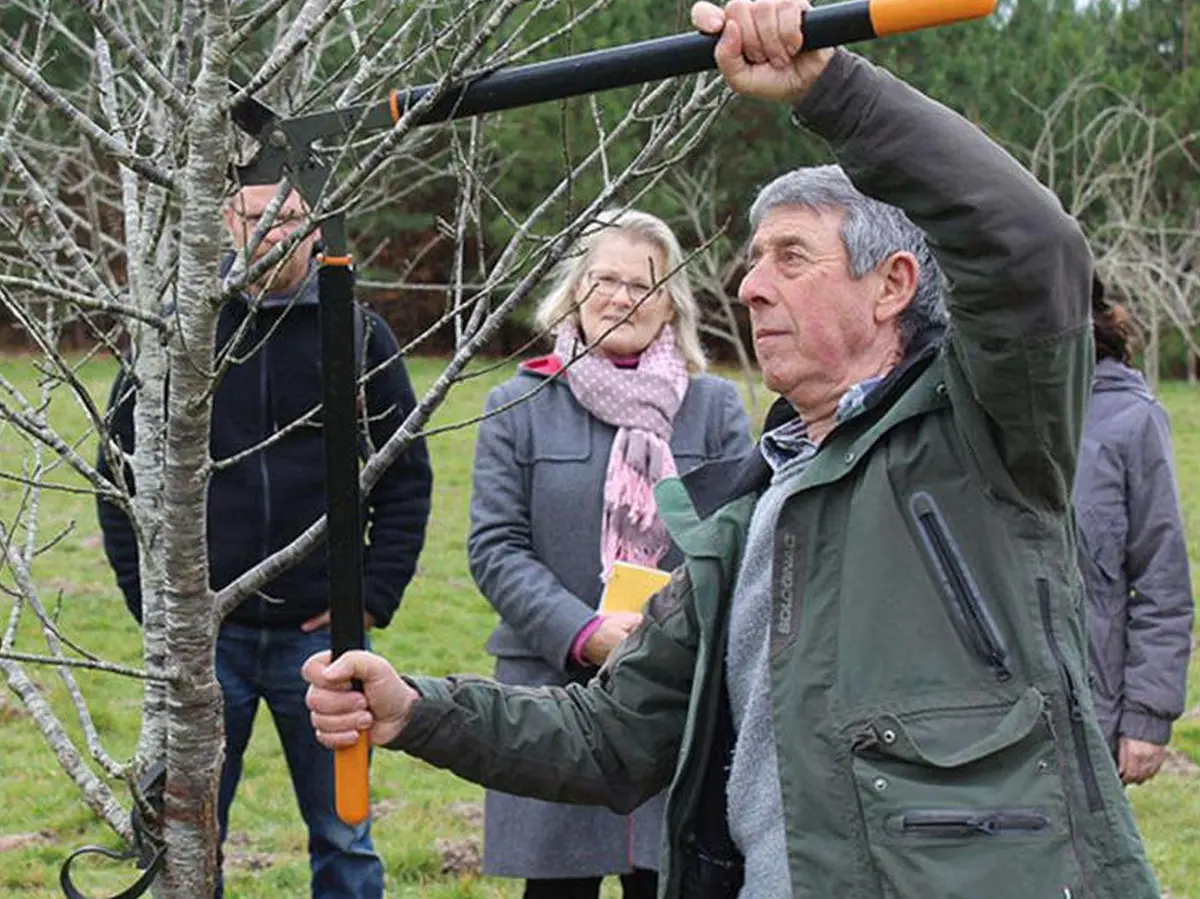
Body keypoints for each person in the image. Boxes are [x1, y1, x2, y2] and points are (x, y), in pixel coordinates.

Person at [303, 2, 1163, 896]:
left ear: (892, 286)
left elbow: (1028, 245)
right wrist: (416, 710)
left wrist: (831, 87)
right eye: (753, 261)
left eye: (791, 257)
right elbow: (610, 737)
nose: (750, 287)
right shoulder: (751, 516)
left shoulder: (987, 438)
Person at [96, 182, 433, 899]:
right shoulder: (176, 334)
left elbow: (406, 478)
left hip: (325, 642)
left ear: (315, 227)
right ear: (225, 221)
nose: (274, 236)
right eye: (257, 219)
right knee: (189, 836)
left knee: (345, 833)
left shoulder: (357, 332)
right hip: (206, 639)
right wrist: (158, 610)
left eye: (290, 220)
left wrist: (371, 597)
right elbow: (117, 481)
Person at [468, 208, 753, 899]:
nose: (623, 297)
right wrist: (586, 633)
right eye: (607, 279)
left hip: (677, 695)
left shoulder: (713, 408)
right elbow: (495, 546)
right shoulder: (519, 403)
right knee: (556, 889)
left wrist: (664, 638)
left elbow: (738, 540)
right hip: (552, 684)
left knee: (668, 881)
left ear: (671, 306)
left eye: (644, 285)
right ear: (575, 290)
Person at [1074, 276, 1194, 786]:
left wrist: (1147, 716)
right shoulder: (980, 408)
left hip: (1091, 713)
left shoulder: (1130, 418)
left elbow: (1161, 578)